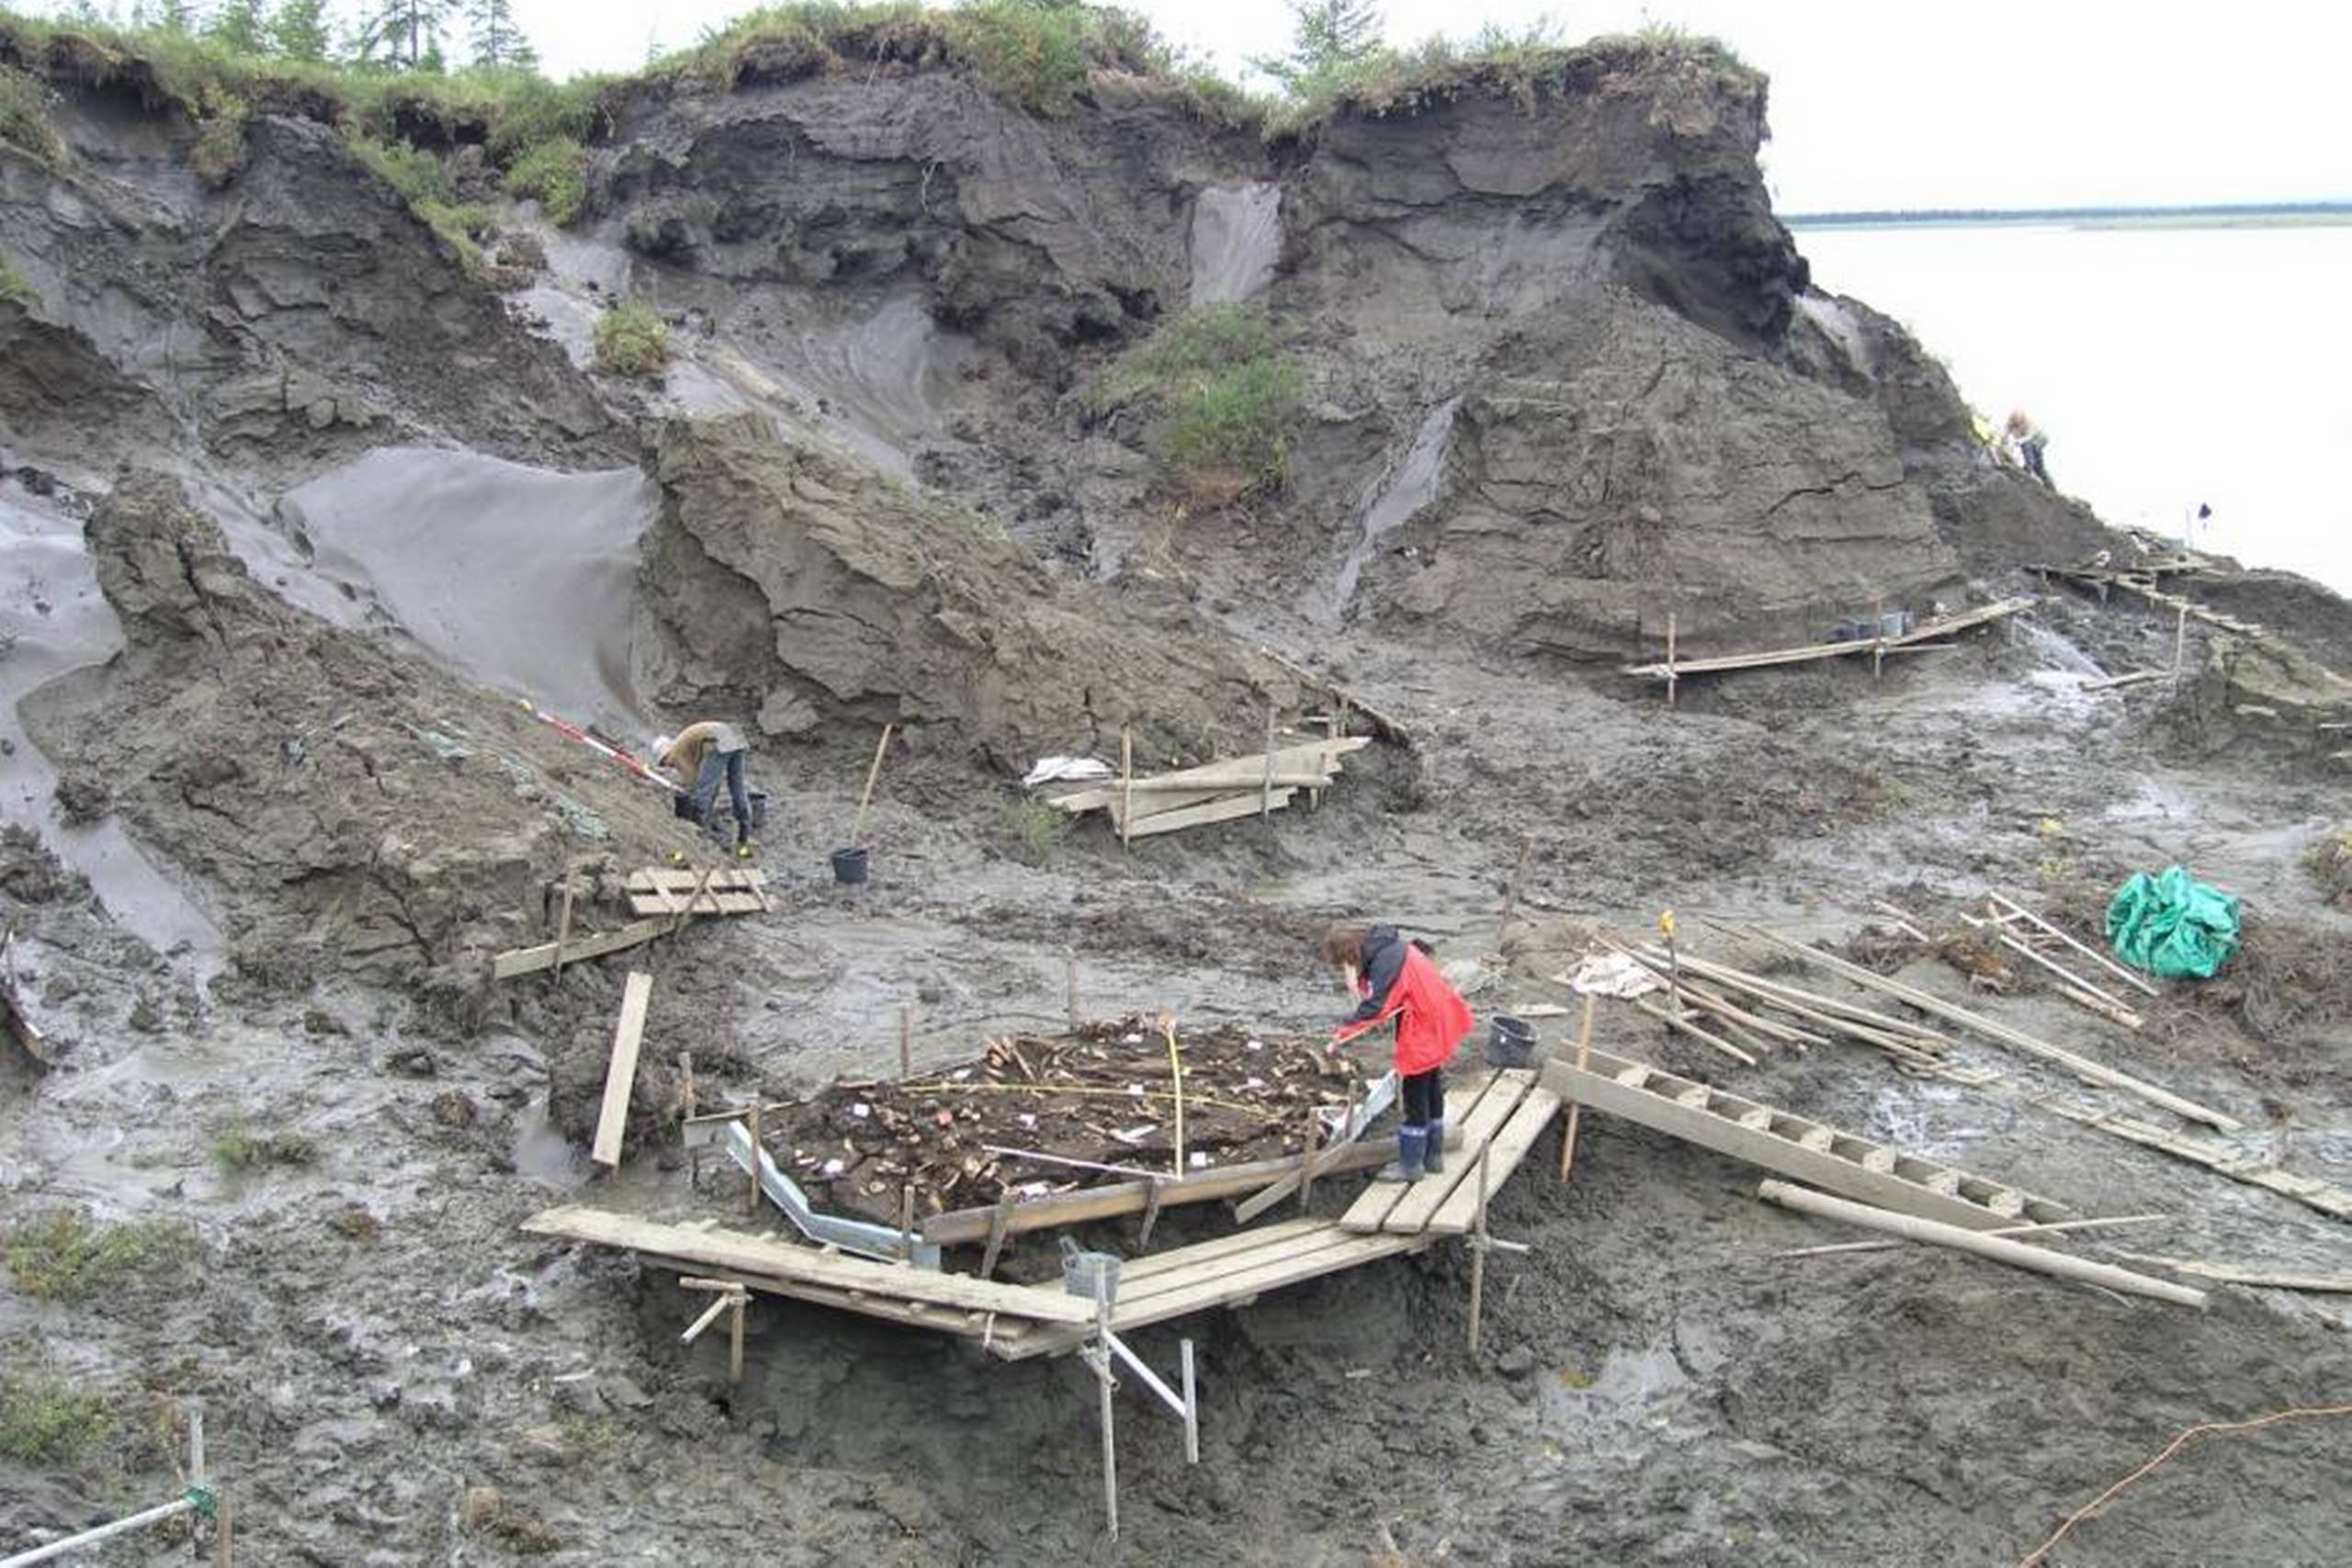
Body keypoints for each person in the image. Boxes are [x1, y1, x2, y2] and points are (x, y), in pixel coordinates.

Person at [1321, 922, 1475, 1182]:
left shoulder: (1385, 964)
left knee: (1414, 1093)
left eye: (1344, 963)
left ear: (1350, 953)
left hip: (1423, 1025)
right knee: (1431, 1085)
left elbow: (1375, 1007)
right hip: (1440, 1014)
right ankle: (1433, 1156)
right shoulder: (1393, 948)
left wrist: (1340, 1035)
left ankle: (1411, 1165)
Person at [652, 721, 758, 859]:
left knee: (702, 794)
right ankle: (743, 834)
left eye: (663, 763)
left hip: (717, 739)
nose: (668, 766)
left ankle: (702, 831)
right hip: (733, 733)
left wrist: (686, 793)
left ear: (665, 755)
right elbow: (710, 776)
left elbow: (695, 782)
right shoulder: (684, 744)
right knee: (737, 787)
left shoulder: (675, 754)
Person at [2004, 410, 2052, 489]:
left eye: (2019, 422)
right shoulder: (2011, 422)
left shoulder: (2028, 423)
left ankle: (2029, 470)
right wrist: (2005, 443)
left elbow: (2028, 438)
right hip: (2030, 439)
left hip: (2040, 439)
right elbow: (2006, 432)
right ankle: (2029, 469)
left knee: (2035, 462)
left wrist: (2017, 442)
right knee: (2037, 465)